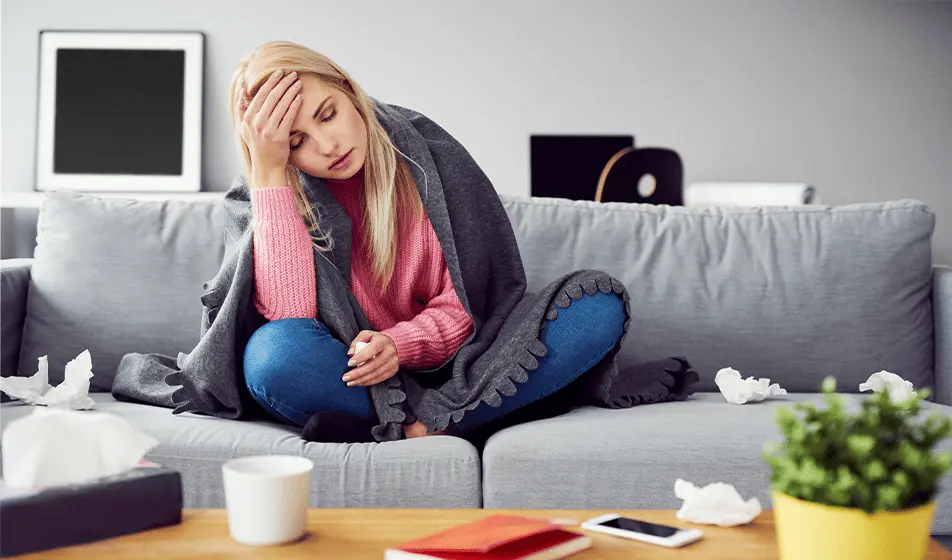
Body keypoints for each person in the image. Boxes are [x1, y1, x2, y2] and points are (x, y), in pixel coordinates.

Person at [228, 41, 629, 440]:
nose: (327, 145)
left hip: (473, 362)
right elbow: (293, 316)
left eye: (328, 115)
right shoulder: (269, 192)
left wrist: (399, 344)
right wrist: (268, 173)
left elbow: (468, 304)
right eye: (296, 142)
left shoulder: (427, 154)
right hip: (360, 377)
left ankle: (417, 427)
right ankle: (473, 416)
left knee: (597, 304)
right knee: (272, 356)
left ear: (348, 90)